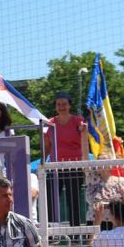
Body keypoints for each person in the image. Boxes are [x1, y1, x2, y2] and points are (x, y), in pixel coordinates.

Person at [43, 92, 88, 226]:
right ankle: (51, 234)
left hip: (74, 166)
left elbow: (84, 133)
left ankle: (75, 235)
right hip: (54, 167)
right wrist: (43, 163)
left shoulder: (77, 120)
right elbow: (46, 145)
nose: (61, 107)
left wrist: (83, 129)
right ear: (55, 106)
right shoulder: (50, 122)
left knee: (73, 200)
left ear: (69, 105)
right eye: (59, 104)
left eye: (64, 104)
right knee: (51, 201)